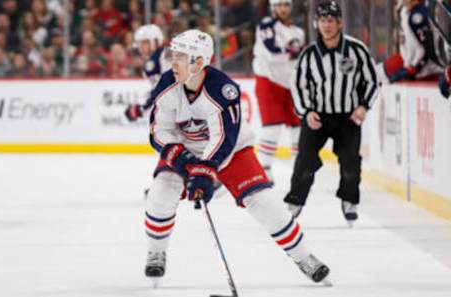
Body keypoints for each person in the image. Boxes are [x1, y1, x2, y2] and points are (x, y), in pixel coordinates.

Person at [144, 29, 330, 285]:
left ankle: (303, 256)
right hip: (185, 149)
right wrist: (186, 162)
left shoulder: (224, 90)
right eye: (172, 55)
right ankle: (156, 251)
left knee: (263, 202)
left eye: (180, 56)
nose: (172, 62)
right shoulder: (167, 84)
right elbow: (159, 131)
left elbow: (223, 138)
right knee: (160, 194)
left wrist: (204, 171)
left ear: (198, 62)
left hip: (232, 152)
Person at [283, 1, 379, 227]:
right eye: (322, 21)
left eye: (331, 21)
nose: (326, 25)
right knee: (305, 161)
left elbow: (373, 80)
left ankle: (349, 200)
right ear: (317, 23)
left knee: (350, 162)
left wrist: (363, 106)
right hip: (317, 117)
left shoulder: (357, 50)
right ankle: (295, 201)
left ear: (340, 23)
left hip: (347, 117)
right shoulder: (308, 55)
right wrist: (306, 112)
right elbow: (298, 85)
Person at [252, 0, 305, 183]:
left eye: (286, 5)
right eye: (279, 5)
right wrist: (291, 52)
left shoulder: (298, 32)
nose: (283, 8)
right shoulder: (266, 26)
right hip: (268, 81)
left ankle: (300, 169)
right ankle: (264, 169)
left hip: (290, 84)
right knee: (272, 127)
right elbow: (272, 53)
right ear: (273, 7)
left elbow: (298, 58)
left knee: (297, 127)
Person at [379, 0, 442, 83]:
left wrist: (413, 68)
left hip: (426, 72)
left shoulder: (419, 16)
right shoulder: (404, 11)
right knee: (375, 75)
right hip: (407, 62)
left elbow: (427, 49)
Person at [124, 24, 171, 121]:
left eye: (144, 42)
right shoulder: (147, 65)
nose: (140, 46)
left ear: (156, 41)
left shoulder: (165, 55)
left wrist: (143, 109)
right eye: (139, 43)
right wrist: (142, 106)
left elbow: (166, 87)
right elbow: (158, 90)